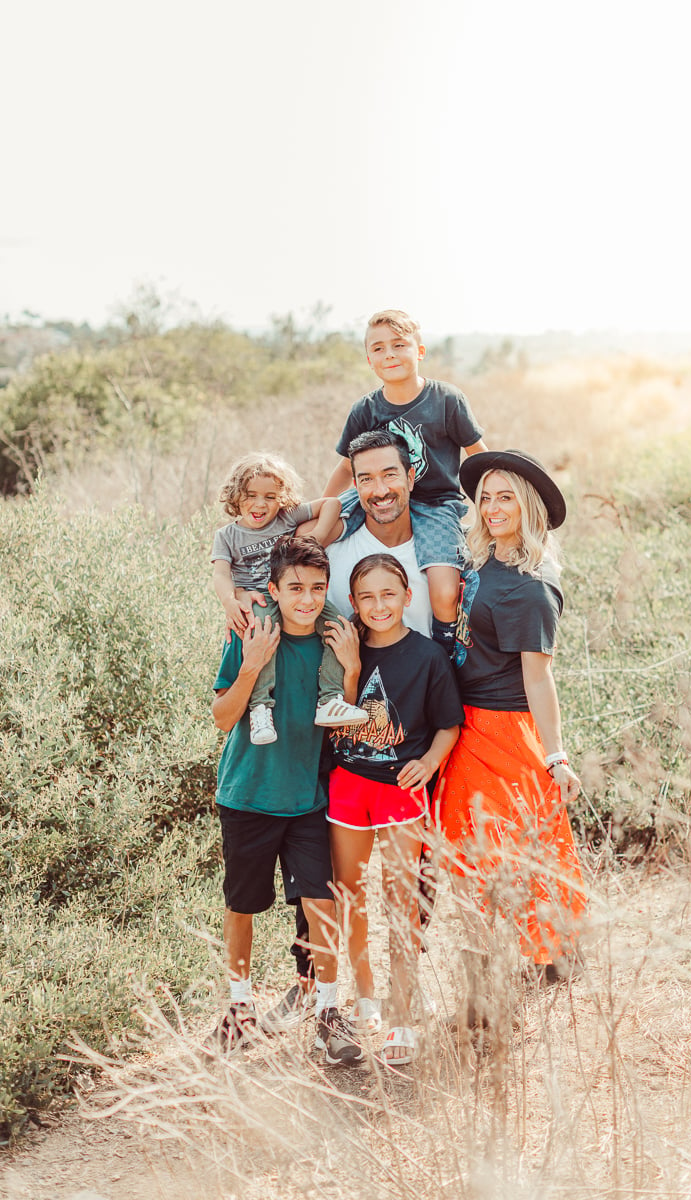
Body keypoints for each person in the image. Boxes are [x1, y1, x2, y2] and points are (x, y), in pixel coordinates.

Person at [260, 430, 437, 1033]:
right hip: (347, 749)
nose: (379, 489)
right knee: (335, 883)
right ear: (352, 484)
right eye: (364, 478)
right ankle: (321, 986)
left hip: (421, 741)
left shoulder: (442, 544)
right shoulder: (339, 556)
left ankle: (406, 1000)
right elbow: (288, 590)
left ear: (411, 475)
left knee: (411, 891)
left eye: (389, 475)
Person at [433, 450, 586, 1020]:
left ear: (528, 507)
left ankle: (545, 955)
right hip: (469, 721)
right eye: (487, 497)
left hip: (503, 728)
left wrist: (555, 755)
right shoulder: (483, 560)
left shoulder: (529, 586)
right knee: (483, 844)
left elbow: (539, 677)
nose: (493, 508)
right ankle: (518, 954)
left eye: (506, 498)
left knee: (513, 846)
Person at [210, 535, 364, 1065]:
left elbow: (339, 723)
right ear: (272, 589)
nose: (307, 598)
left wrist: (350, 669)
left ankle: (327, 1013)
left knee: (322, 904)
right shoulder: (251, 633)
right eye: (295, 588)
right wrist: (252, 664)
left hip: (308, 800)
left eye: (318, 588)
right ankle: (238, 1009)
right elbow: (223, 718)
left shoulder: (332, 638)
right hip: (248, 795)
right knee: (243, 906)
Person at [325, 554, 464, 1065]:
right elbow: (334, 719)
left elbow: (449, 724)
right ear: (354, 603)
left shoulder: (428, 657)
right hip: (348, 786)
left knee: (401, 903)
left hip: (400, 790)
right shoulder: (345, 648)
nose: (378, 605)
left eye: (389, 595)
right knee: (351, 899)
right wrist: (352, 668)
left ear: (408, 597)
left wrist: (428, 762)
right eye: (366, 597)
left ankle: (403, 1013)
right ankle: (366, 1003)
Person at [323, 309, 487, 657]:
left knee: (443, 590)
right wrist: (324, 505)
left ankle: (444, 654)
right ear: (369, 359)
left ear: (420, 351)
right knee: (311, 532)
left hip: (435, 503)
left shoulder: (446, 400)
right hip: (376, 495)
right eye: (379, 348)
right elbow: (344, 469)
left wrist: (489, 507)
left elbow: (478, 457)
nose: (390, 355)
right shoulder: (365, 410)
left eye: (399, 345)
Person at [212, 451, 367, 745]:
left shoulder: (285, 518)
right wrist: (230, 602)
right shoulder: (228, 536)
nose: (260, 504)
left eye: (271, 496)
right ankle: (260, 708)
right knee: (262, 637)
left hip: (293, 598)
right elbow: (220, 575)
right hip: (259, 602)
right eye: (250, 495)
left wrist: (317, 537)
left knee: (339, 627)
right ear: (235, 495)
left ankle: (329, 700)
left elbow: (332, 503)